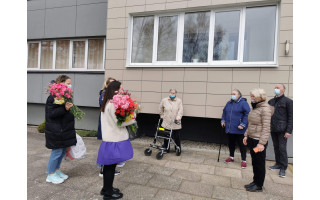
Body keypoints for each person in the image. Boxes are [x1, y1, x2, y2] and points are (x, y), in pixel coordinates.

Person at [97, 81, 136, 200]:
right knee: (110, 168)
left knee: (109, 167)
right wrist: (133, 116)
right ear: (115, 90)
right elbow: (120, 123)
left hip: (109, 139)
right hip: (114, 139)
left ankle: (106, 188)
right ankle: (108, 193)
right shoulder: (112, 104)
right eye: (121, 89)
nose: (122, 92)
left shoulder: (106, 102)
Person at [45, 75, 76, 184]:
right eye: (68, 83)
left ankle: (56, 170)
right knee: (57, 151)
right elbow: (51, 114)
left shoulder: (65, 97)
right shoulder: (53, 97)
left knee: (62, 151)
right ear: (61, 84)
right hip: (56, 130)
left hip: (64, 129)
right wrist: (65, 108)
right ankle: (50, 174)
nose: (70, 85)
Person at [243, 88, 273, 192]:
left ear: (260, 97)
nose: (251, 98)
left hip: (258, 142)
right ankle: (255, 181)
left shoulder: (265, 109)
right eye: (251, 96)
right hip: (252, 139)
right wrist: (246, 135)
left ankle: (259, 185)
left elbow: (266, 128)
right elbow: (251, 124)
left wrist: (261, 144)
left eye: (253, 97)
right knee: (255, 162)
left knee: (259, 163)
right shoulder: (255, 108)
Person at [97, 77, 122, 178]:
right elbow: (116, 119)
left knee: (110, 153)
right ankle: (103, 169)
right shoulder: (108, 100)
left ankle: (108, 168)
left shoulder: (111, 100)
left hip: (110, 130)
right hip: (109, 130)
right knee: (108, 153)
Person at [268, 84, 293, 178]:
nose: (276, 89)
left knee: (282, 149)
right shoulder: (271, 101)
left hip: (283, 130)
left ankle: (283, 167)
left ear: (283, 90)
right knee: (276, 147)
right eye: (275, 87)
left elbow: (291, 117)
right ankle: (278, 164)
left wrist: (289, 131)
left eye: (278, 88)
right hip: (273, 128)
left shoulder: (288, 102)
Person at [221, 89, 250, 168]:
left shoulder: (243, 103)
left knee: (242, 145)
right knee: (231, 143)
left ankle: (243, 160)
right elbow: (224, 112)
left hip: (239, 129)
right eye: (231, 94)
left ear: (239, 95)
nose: (232, 95)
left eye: (234, 94)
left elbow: (248, 114)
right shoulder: (228, 103)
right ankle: (231, 157)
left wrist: (243, 124)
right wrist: (223, 120)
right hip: (230, 128)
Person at [159, 89, 183, 153]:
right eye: (171, 93)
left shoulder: (179, 101)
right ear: (169, 93)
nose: (172, 94)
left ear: (175, 94)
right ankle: (166, 148)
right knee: (166, 135)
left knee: (177, 136)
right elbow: (160, 108)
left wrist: (178, 117)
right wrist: (162, 116)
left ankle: (178, 148)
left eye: (173, 93)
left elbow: (180, 110)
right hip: (166, 121)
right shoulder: (164, 100)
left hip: (175, 121)